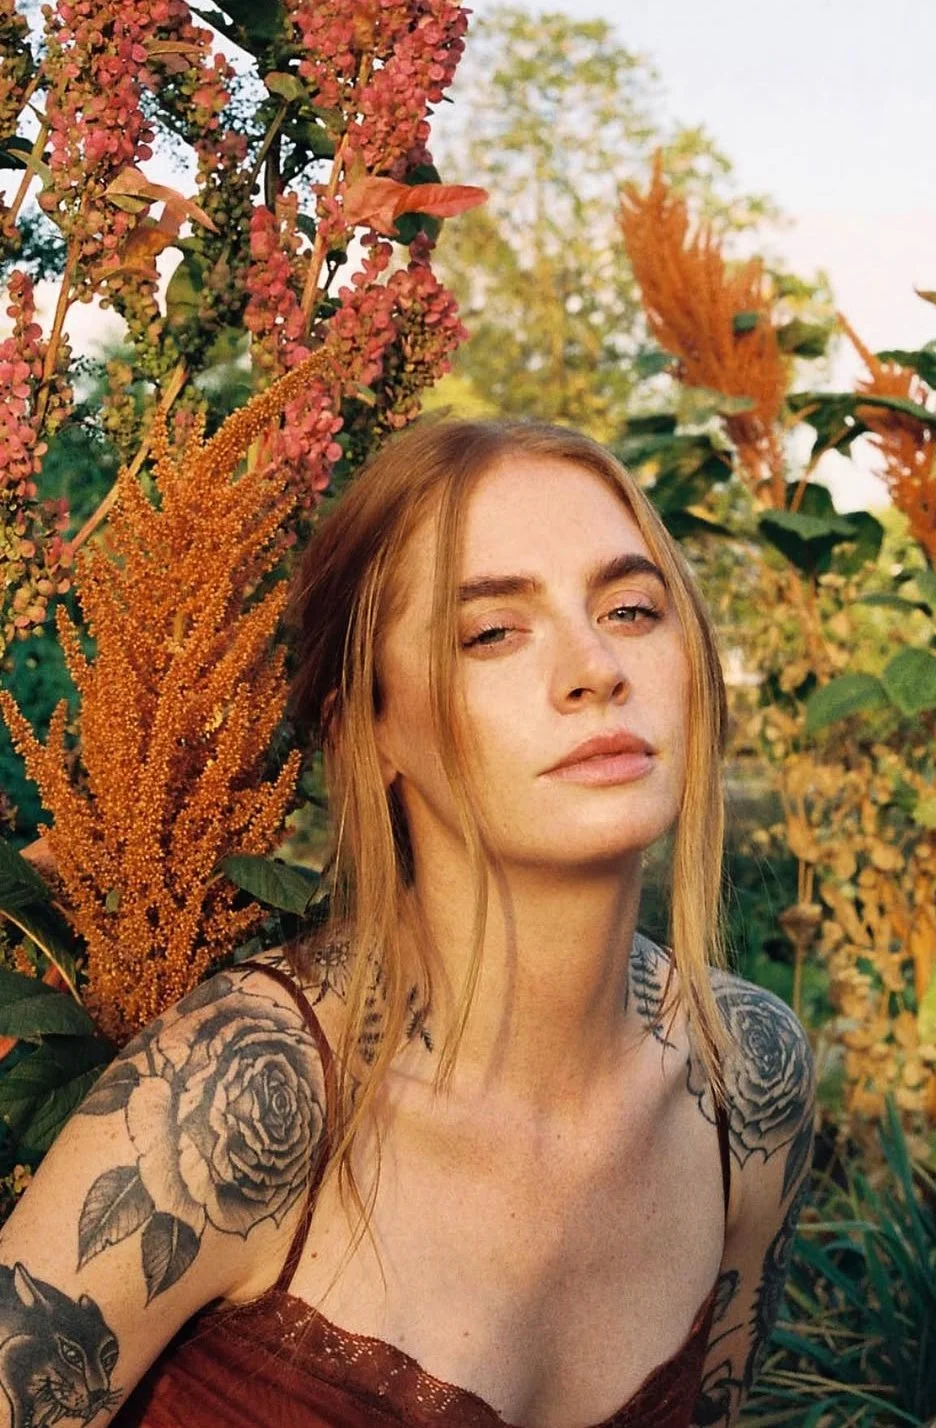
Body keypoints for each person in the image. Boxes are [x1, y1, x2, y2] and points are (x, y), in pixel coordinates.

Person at [0, 418, 815, 1428]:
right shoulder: (237, 1098)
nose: (595, 666)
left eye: (634, 608)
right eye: (491, 632)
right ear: (367, 727)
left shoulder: (752, 1083)